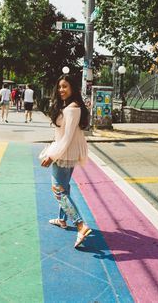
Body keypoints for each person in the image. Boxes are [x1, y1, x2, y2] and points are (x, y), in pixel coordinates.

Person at [40, 74, 92, 248]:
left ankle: (80, 225)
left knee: (59, 191)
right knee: (65, 187)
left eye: (65, 87)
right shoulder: (70, 106)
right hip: (67, 153)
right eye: (60, 86)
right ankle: (62, 220)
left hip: (62, 153)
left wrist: (52, 155)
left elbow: (67, 138)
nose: (61, 90)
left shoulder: (71, 108)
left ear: (73, 88)